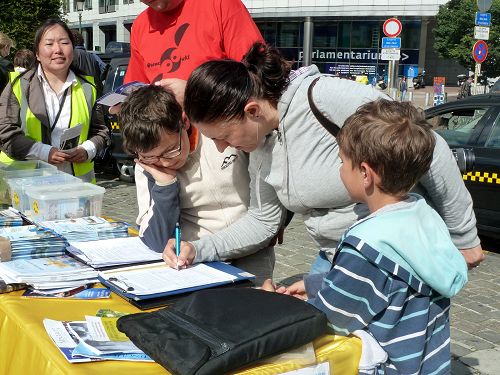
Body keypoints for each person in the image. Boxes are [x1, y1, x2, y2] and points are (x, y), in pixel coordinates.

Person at [163, 42, 483, 272]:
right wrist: (198, 249)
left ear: (252, 111)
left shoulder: (324, 99)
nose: (222, 148)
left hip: (398, 259)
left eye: (223, 136)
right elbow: (263, 221)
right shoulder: (260, 144)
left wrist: (463, 235)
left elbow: (429, 146)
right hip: (338, 263)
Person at [262, 99, 468, 374]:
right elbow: (387, 286)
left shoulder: (366, 245)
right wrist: (314, 284)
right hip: (430, 364)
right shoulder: (424, 215)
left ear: (365, 173)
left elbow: (330, 318)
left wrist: (276, 303)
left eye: (342, 162)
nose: (339, 169)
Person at [119, 84, 275, 285]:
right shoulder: (148, 168)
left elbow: (270, 174)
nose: (165, 162)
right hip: (199, 259)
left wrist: (277, 221)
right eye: (152, 157)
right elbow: (156, 240)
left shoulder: (218, 135)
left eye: (171, 150)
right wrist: (166, 186)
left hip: (252, 247)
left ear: (184, 122)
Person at [0, 19, 109, 183]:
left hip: (76, 188)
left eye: (64, 42)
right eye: (49, 44)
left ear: (73, 49)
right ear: (37, 53)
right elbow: (5, 133)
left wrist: (87, 150)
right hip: (28, 188)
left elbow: (101, 132)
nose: (58, 50)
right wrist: (44, 152)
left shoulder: (88, 87)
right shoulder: (18, 86)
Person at [124, 0, 263, 84]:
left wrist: (192, 95)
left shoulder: (220, 4)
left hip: (220, 128)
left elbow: (259, 74)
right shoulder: (140, 25)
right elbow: (135, 88)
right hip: (167, 131)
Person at [71, 30, 107, 96]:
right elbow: (104, 69)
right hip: (95, 92)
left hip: (77, 92)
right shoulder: (93, 56)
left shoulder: (70, 55)